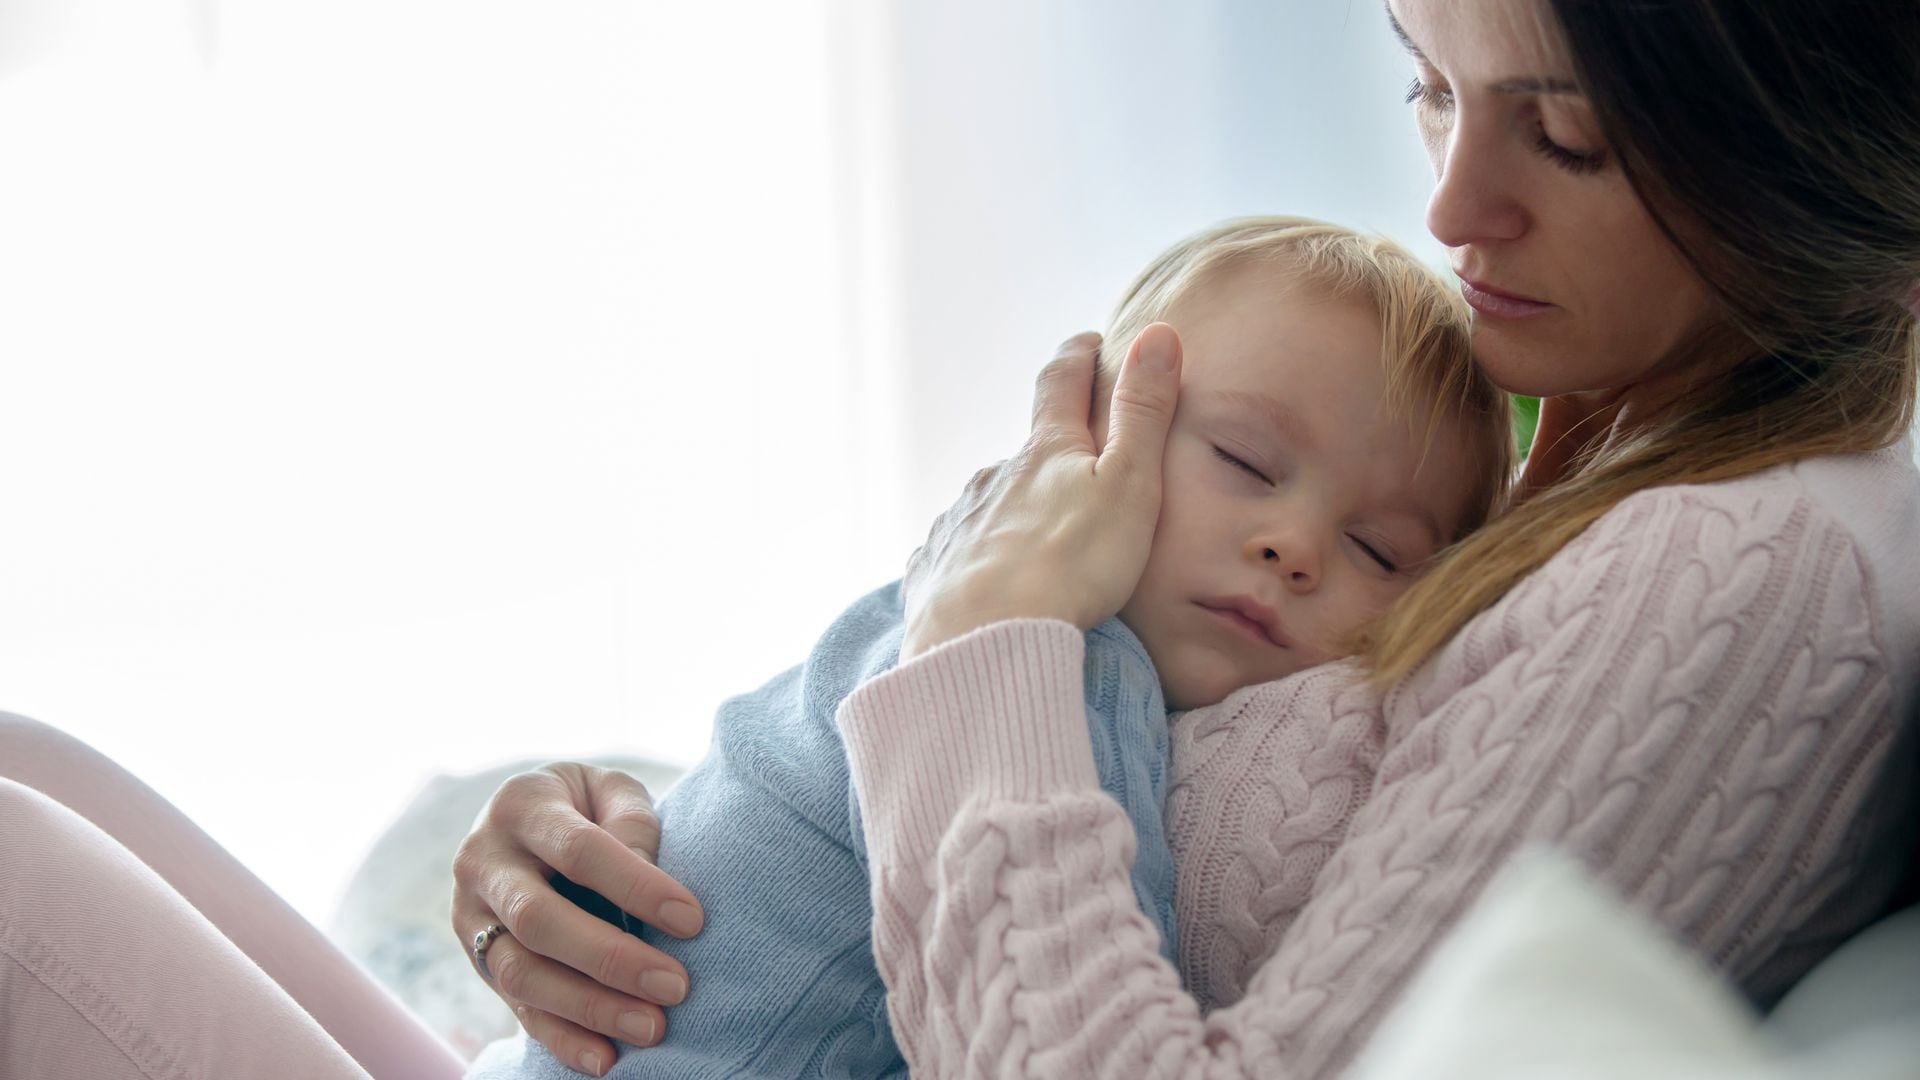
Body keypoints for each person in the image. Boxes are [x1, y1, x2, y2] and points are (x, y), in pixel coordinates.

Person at [449, 1, 1920, 1078]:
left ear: (1808, 147)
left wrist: (983, 643)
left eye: (1568, 138)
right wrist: (643, 842)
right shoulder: (1580, 447)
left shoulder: (1738, 578)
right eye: (1427, 83)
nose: (1452, 206)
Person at [459, 215, 1513, 1079]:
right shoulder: (1058, 669)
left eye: (1378, 550)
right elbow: (1095, 978)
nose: (1295, 547)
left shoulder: (945, 611)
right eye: (1242, 457)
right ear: (1091, 434)